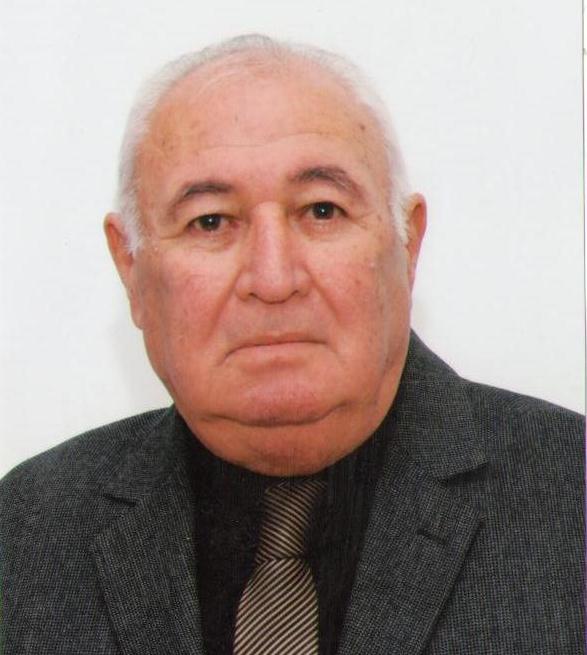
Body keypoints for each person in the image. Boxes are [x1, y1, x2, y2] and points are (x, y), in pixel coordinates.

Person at [0, 34, 583, 655]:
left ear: (407, 247)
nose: (274, 279)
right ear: (132, 270)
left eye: (322, 211)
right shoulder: (27, 535)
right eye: (210, 221)